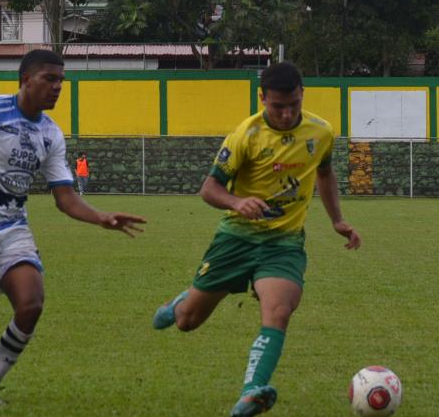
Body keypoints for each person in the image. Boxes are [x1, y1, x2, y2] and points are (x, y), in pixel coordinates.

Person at [0, 49, 146, 405]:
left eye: (61, 81)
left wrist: (101, 217)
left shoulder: (51, 134)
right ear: (25, 80)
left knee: (31, 304)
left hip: (13, 229)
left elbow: (65, 198)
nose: (57, 87)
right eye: (49, 79)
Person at [150, 62, 362, 417]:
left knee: (279, 311)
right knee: (188, 321)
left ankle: (251, 392)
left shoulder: (321, 132)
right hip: (236, 239)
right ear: (262, 98)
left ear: (303, 94)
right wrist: (236, 202)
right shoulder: (245, 136)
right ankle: (180, 303)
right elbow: (209, 189)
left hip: (284, 243)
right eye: (277, 106)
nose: (286, 114)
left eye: (293, 104)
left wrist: (337, 220)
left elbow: (324, 173)